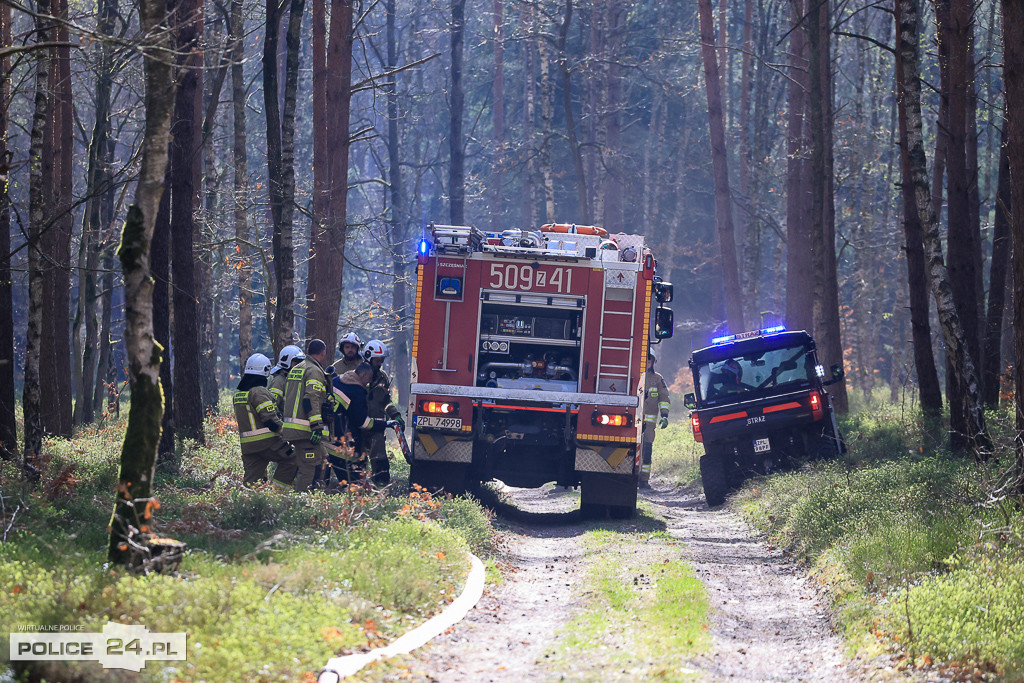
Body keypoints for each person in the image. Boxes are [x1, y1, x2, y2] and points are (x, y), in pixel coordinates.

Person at [325, 361, 395, 486]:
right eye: (368, 379)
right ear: (363, 375)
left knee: (322, 479)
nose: (368, 383)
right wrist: (385, 424)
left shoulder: (337, 380)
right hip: (339, 445)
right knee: (353, 483)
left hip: (325, 439)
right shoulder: (357, 391)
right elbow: (363, 423)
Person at [275, 339, 331, 492]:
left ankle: (317, 496)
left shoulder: (296, 368)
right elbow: (310, 399)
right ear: (323, 353)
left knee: (324, 460)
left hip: (294, 428)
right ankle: (301, 502)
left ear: (307, 351)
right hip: (305, 430)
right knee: (308, 469)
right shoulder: (314, 371)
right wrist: (317, 427)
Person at [233, 353, 294, 487]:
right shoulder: (259, 392)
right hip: (267, 443)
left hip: (248, 447)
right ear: (265, 371)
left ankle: (251, 504)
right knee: (294, 459)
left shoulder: (239, 395)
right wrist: (290, 433)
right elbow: (270, 421)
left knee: (253, 482)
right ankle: (277, 493)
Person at [361, 340, 405, 486]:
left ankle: (381, 484)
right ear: (368, 357)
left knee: (380, 458)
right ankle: (356, 486)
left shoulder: (383, 377)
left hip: (377, 426)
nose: (379, 363)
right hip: (358, 424)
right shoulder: (357, 374)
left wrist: (395, 415)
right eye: (377, 359)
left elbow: (386, 401)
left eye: (382, 360)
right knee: (357, 458)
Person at [641, 351, 671, 489]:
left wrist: (665, 415)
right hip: (633, 422)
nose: (647, 363)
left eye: (650, 361)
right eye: (645, 360)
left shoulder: (657, 378)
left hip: (649, 424)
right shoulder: (635, 375)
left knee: (647, 450)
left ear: (653, 363)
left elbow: (664, 397)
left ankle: (643, 480)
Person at [268, 344, 305, 414]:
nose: (299, 366)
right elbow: (271, 405)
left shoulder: (297, 381)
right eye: (296, 363)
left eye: (301, 363)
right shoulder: (279, 381)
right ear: (286, 362)